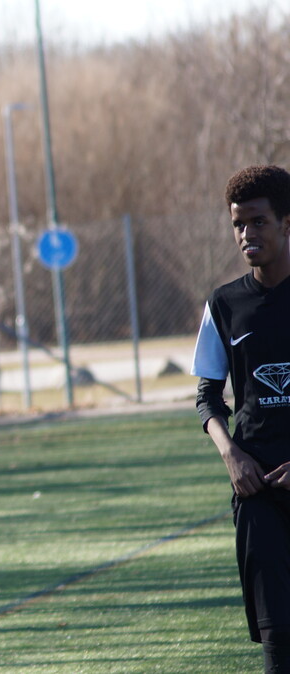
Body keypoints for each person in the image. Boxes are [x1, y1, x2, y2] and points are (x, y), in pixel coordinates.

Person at [192, 165, 290, 674]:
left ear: (287, 223)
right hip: (257, 491)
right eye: (238, 224)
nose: (247, 234)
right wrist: (231, 455)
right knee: (278, 634)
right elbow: (207, 396)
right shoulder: (224, 304)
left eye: (258, 222)